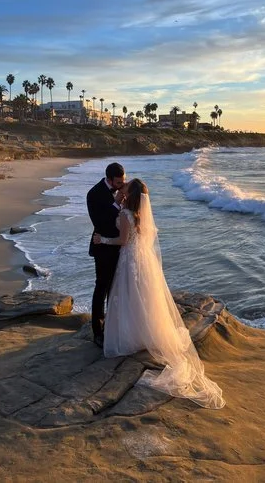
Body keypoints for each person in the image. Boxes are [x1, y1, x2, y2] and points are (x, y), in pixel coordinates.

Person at [93, 178, 225, 409]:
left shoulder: (125, 215)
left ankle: (132, 336)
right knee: (143, 297)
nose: (121, 188)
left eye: (126, 187)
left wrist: (101, 239)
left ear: (131, 193)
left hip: (129, 260)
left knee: (130, 297)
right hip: (142, 260)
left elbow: (122, 241)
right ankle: (146, 333)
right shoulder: (140, 215)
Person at [86, 162, 126, 348]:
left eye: (123, 181)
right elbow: (100, 223)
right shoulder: (94, 194)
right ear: (109, 179)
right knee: (101, 287)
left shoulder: (123, 189)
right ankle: (98, 331)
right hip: (102, 246)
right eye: (118, 182)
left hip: (122, 247)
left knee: (117, 287)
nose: (121, 184)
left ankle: (114, 325)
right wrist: (117, 203)